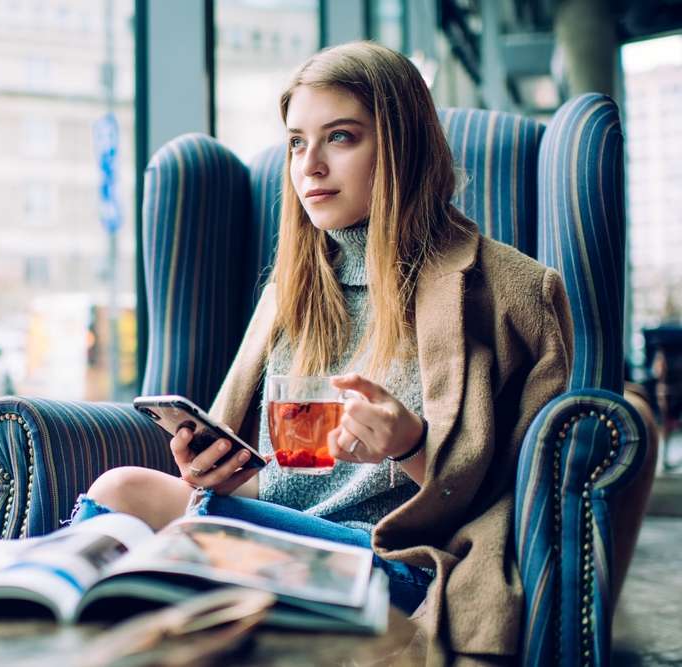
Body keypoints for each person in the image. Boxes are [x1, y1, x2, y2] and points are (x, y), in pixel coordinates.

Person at [70, 41, 573, 661]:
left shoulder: (514, 293)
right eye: (295, 142)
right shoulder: (292, 289)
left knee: (127, 499)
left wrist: (412, 447)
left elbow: (526, 499)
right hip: (276, 540)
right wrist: (218, 471)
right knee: (126, 497)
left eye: (339, 137)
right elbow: (289, 481)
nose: (309, 166)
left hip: (390, 564)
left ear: (401, 145)